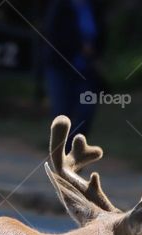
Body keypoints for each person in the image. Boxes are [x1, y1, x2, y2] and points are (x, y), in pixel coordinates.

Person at [43, 0, 105, 142]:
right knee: (62, 113)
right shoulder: (60, 6)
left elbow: (102, 34)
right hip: (60, 68)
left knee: (86, 112)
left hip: (87, 70)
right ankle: (62, 155)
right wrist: (79, 47)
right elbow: (53, 36)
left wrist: (95, 53)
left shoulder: (94, 6)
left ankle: (74, 152)